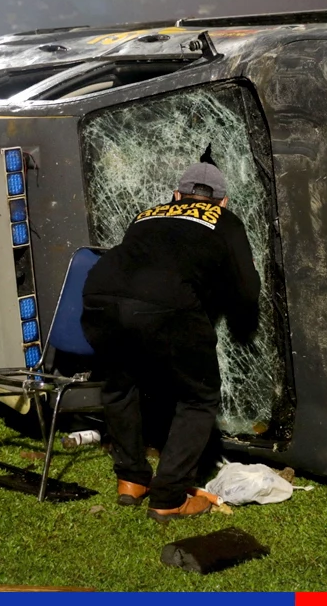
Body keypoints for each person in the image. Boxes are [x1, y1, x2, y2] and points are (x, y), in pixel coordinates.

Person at [80, 152, 261, 522]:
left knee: (119, 386)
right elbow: (247, 290)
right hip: (163, 306)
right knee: (198, 397)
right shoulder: (226, 221)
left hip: (98, 296)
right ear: (223, 201)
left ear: (175, 196)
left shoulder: (147, 214)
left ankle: (131, 480)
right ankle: (168, 497)